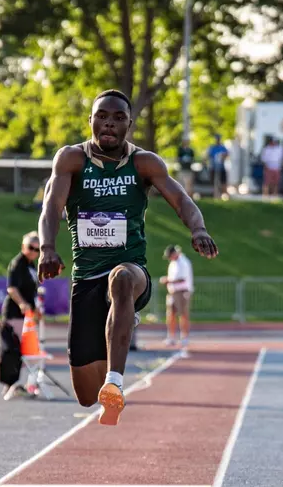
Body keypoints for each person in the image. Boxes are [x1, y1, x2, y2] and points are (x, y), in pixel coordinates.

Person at [38, 89, 219, 426]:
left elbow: (181, 200)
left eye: (118, 118)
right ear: (90, 120)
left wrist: (198, 229)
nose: (109, 123)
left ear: (129, 125)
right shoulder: (71, 159)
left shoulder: (144, 163)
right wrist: (48, 246)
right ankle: (108, 361)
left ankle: (116, 381)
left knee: (120, 280)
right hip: (86, 278)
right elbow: (51, 206)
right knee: (86, 396)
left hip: (131, 270)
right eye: (102, 116)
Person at [0, 232, 42, 400]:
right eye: (30, 248)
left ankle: (14, 383)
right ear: (24, 247)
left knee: (21, 349)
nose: (33, 252)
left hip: (27, 315)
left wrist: (35, 308)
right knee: (11, 348)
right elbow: (12, 288)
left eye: (37, 249)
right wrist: (22, 303)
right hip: (14, 312)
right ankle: (10, 384)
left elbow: (33, 290)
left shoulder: (31, 266)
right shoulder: (18, 264)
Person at [161, 244, 194, 347]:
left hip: (182, 292)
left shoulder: (183, 262)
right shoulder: (173, 263)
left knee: (183, 315)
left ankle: (184, 337)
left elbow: (182, 279)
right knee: (170, 315)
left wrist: (168, 280)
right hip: (173, 292)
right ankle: (171, 336)